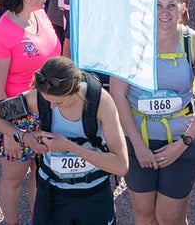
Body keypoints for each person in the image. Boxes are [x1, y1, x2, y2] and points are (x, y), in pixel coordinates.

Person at [110, 0, 195, 225]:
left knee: (169, 218)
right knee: (145, 216)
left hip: (181, 141)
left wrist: (183, 144)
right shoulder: (132, 42)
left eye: (172, 5)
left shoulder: (193, 42)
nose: (165, 12)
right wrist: (137, 145)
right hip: (138, 143)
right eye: (157, 5)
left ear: (182, 8)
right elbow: (117, 94)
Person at [0, 0, 62, 225]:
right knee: (13, 179)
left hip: (48, 110)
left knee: (40, 173)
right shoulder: (0, 37)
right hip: (19, 118)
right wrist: (9, 134)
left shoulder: (39, 14)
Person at [18, 57, 130, 225]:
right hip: (52, 193)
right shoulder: (39, 97)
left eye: (59, 102)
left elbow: (121, 166)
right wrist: (24, 137)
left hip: (94, 194)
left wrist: (70, 147)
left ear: (76, 89)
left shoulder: (100, 101)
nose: (52, 107)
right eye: (47, 101)